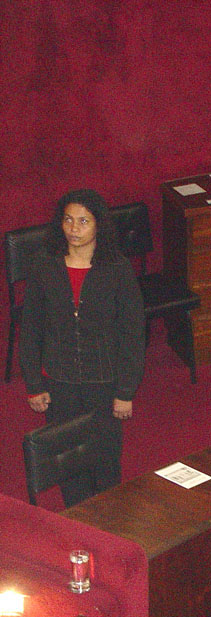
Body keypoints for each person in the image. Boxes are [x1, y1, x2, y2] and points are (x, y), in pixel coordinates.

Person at [20, 188, 145, 507]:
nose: (74, 229)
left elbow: (132, 333)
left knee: (105, 458)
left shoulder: (117, 268)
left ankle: (110, 517)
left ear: (99, 226)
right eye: (68, 220)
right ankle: (79, 518)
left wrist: (126, 391)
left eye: (84, 221)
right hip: (58, 381)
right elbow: (31, 328)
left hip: (104, 381)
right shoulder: (44, 265)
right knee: (68, 460)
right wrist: (34, 384)